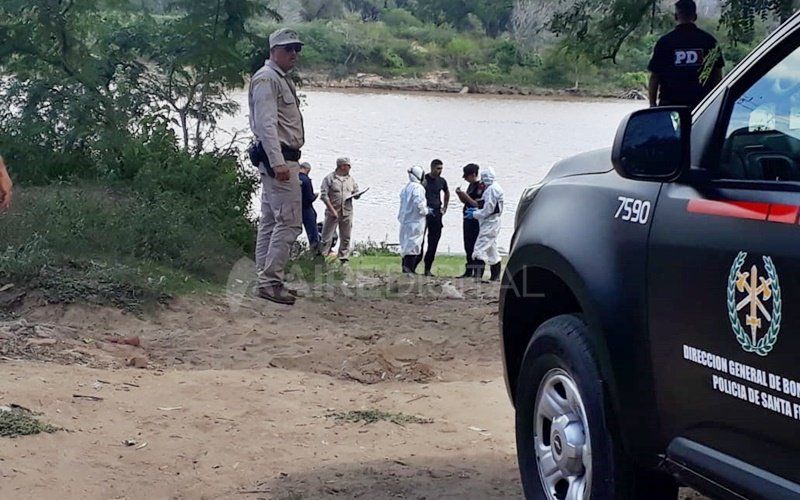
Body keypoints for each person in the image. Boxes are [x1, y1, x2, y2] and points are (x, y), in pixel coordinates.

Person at [249, 28, 306, 305]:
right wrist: (278, 162)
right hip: (280, 160)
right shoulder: (267, 79)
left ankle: (266, 278)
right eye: (288, 49)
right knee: (290, 222)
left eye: (296, 49)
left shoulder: (278, 78)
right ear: (273, 51)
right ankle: (270, 281)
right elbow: (266, 125)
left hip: (283, 158)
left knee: (271, 221)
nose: (293, 54)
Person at [648, 0, 723, 109]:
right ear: (695, 16)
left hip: (670, 106)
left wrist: (652, 105)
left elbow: (655, 76)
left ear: (676, 16)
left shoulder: (665, 42)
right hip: (702, 107)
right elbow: (717, 75)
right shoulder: (709, 41)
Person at [319, 157, 361, 263]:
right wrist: (332, 210)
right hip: (332, 212)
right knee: (326, 236)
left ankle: (343, 258)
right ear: (342, 166)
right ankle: (322, 257)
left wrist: (357, 194)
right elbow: (324, 196)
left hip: (347, 212)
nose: (350, 168)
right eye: (348, 166)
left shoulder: (351, 179)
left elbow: (355, 191)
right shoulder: (329, 178)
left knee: (346, 236)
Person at [466, 166, 503, 281]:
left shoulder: (491, 190)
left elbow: (488, 210)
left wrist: (475, 214)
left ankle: (478, 276)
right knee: (492, 250)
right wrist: (478, 209)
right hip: (492, 222)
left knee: (479, 249)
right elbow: (487, 205)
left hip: (490, 222)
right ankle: (495, 276)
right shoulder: (495, 187)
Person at [416, 159, 450, 277]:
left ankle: (428, 269)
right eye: (438, 168)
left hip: (436, 213)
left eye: (441, 168)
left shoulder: (442, 181)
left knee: (433, 241)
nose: (440, 171)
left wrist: (445, 207)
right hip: (424, 213)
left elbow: (447, 192)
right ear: (432, 168)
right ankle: (413, 264)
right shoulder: (424, 180)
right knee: (420, 240)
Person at [455, 163, 485, 278]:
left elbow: (476, 203)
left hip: (476, 219)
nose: (465, 179)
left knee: (476, 245)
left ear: (473, 175)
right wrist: (460, 195)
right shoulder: (471, 186)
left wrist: (465, 195)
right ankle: (469, 270)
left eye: (466, 176)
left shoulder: (481, 186)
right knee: (467, 244)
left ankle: (478, 271)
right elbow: (466, 201)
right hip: (467, 217)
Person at [398, 166, 428, 274]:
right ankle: (409, 270)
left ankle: (405, 269)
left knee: (406, 245)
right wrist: (426, 211)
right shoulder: (418, 188)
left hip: (406, 221)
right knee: (413, 246)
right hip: (415, 221)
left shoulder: (406, 188)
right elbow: (419, 203)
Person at [298, 162, 320, 251]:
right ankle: (315, 251)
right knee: (312, 232)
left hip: (294, 208)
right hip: (306, 209)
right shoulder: (306, 180)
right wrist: (315, 196)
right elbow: (309, 198)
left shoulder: (293, 178)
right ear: (307, 169)